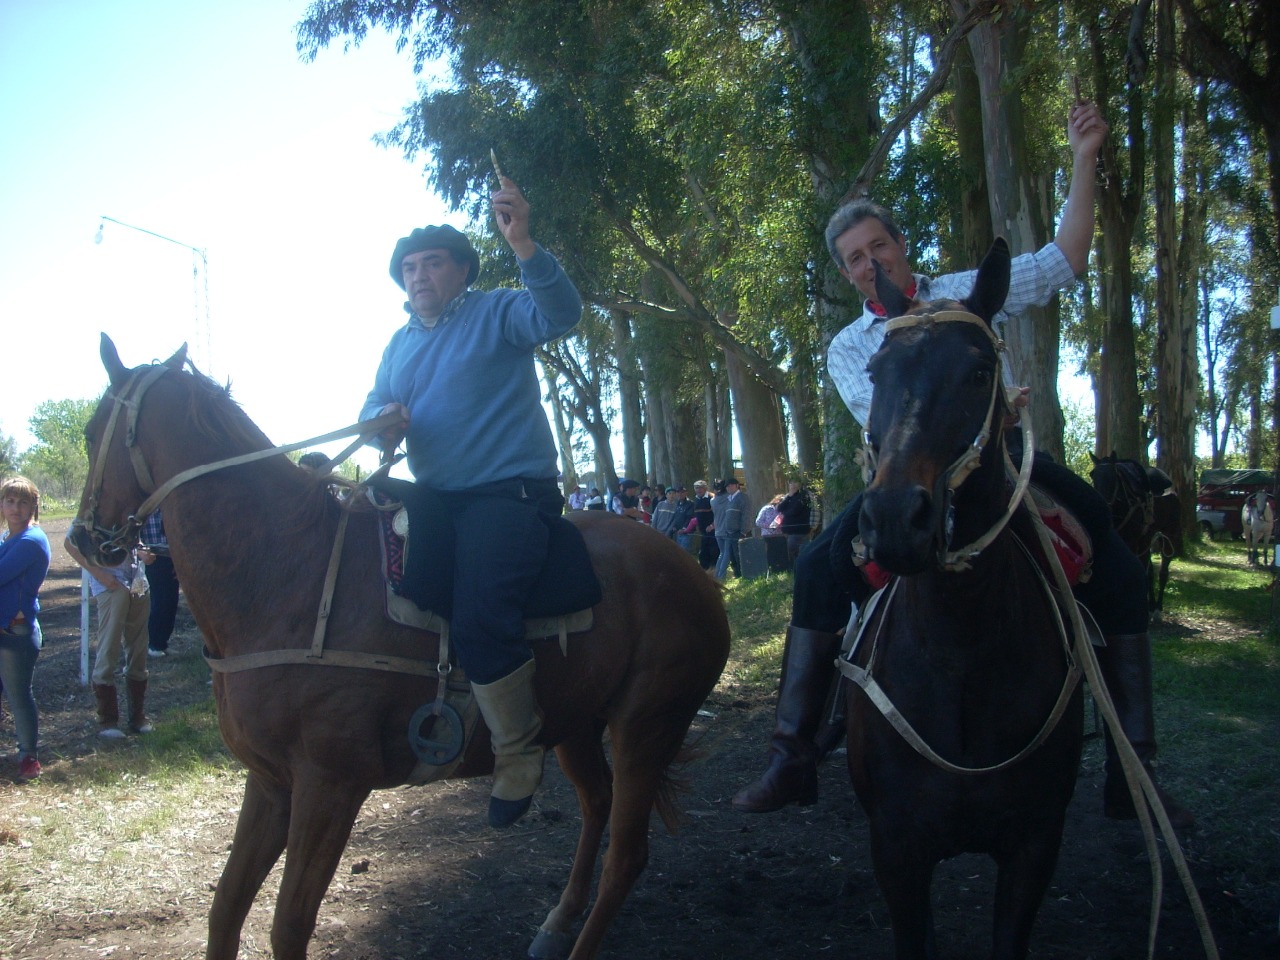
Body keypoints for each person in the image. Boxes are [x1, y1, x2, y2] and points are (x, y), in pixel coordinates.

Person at [733, 101, 1193, 830]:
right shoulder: (849, 346)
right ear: (848, 274)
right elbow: (880, 417)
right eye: (855, 258)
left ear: (900, 244)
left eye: (878, 245)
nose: (871, 262)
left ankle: (1133, 769)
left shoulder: (964, 293)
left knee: (1117, 565)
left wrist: (1083, 157)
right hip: (905, 473)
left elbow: (1065, 259)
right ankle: (792, 754)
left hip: (1000, 464)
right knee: (818, 566)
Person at [359, 174, 582, 828]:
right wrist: (379, 424)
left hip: (508, 495)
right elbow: (372, 409)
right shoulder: (399, 343)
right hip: (436, 498)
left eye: (432, 263)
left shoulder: (498, 310)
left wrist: (524, 244)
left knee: (482, 615)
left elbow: (561, 315)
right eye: (409, 267)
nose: (418, 275)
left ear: (461, 270)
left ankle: (517, 749)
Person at [65, 537, 154, 739]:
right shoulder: (90, 517)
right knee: (109, 647)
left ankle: (138, 716)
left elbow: (133, 539)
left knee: (139, 648)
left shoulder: (132, 516)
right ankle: (108, 719)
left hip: (138, 582)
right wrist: (100, 575)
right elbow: (70, 543)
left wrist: (142, 552)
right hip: (110, 585)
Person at [0, 477, 51, 781]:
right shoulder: (7, 537)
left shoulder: (32, 540)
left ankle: (29, 757)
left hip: (16, 631)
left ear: (34, 506)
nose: (15, 508)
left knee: (19, 696)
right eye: (9, 501)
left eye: (23, 502)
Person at [141, 509, 180, 658]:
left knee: (171, 600)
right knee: (157, 600)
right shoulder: (144, 506)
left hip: (170, 555)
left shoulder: (167, 505)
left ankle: (162, 642)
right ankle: (153, 644)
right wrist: (141, 553)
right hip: (151, 557)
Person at [711, 478, 750, 580]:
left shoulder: (742, 497)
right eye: (727, 486)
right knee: (732, 556)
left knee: (739, 555)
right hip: (729, 532)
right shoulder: (729, 499)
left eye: (731, 485)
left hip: (739, 532)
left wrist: (743, 531)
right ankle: (737, 575)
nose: (729, 488)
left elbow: (746, 515)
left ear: (737, 485)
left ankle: (743, 576)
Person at [776, 481, 813, 563]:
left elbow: (794, 511)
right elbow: (779, 508)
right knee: (791, 555)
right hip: (789, 532)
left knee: (801, 554)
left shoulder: (804, 496)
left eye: (795, 483)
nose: (793, 485)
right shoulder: (788, 496)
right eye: (791, 483)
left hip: (799, 531)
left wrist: (784, 512)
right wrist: (789, 496)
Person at [690, 480, 718, 569]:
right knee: (703, 551)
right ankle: (704, 569)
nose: (698, 490)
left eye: (701, 488)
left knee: (713, 550)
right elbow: (697, 515)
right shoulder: (696, 499)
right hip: (703, 530)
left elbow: (718, 514)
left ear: (705, 488)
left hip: (713, 529)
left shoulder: (712, 498)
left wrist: (712, 526)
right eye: (696, 488)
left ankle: (714, 569)